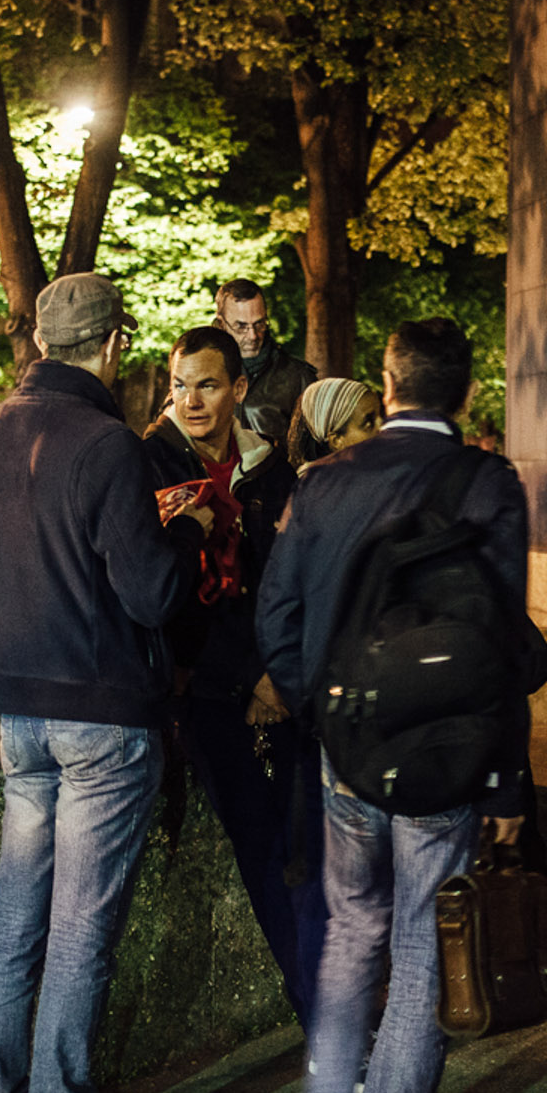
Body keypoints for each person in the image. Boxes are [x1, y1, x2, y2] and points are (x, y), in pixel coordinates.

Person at [0, 273, 213, 1093]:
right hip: (99, 710)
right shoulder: (108, 445)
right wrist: (190, 532)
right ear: (112, 344)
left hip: (14, 712)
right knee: (83, 927)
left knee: (17, 912)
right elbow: (151, 595)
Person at [255, 317, 529, 1093]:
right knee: (422, 950)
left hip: (348, 753)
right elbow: (499, 647)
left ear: (388, 380)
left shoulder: (325, 483)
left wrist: (319, 713)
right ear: (463, 387)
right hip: (444, 762)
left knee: (349, 933)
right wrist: (506, 784)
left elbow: (278, 618)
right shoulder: (487, 484)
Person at [142, 326, 323, 1023]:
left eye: (207, 385)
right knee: (261, 846)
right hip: (208, 691)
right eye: (180, 385)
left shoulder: (270, 471)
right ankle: (316, 1009)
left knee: (305, 847)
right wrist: (251, 677)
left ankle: (328, 996)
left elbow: (287, 578)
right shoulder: (148, 464)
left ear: (239, 389)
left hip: (282, 685)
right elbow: (166, 598)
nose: (190, 400)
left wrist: (277, 675)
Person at [216, 278, 318, 444]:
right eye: (241, 326)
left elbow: (316, 451)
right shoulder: (200, 370)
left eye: (259, 324)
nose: (253, 336)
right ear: (222, 323)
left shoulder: (298, 376)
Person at [287, 377, 384, 473]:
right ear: (336, 441)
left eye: (382, 416)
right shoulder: (318, 485)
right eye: (369, 424)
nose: (383, 427)